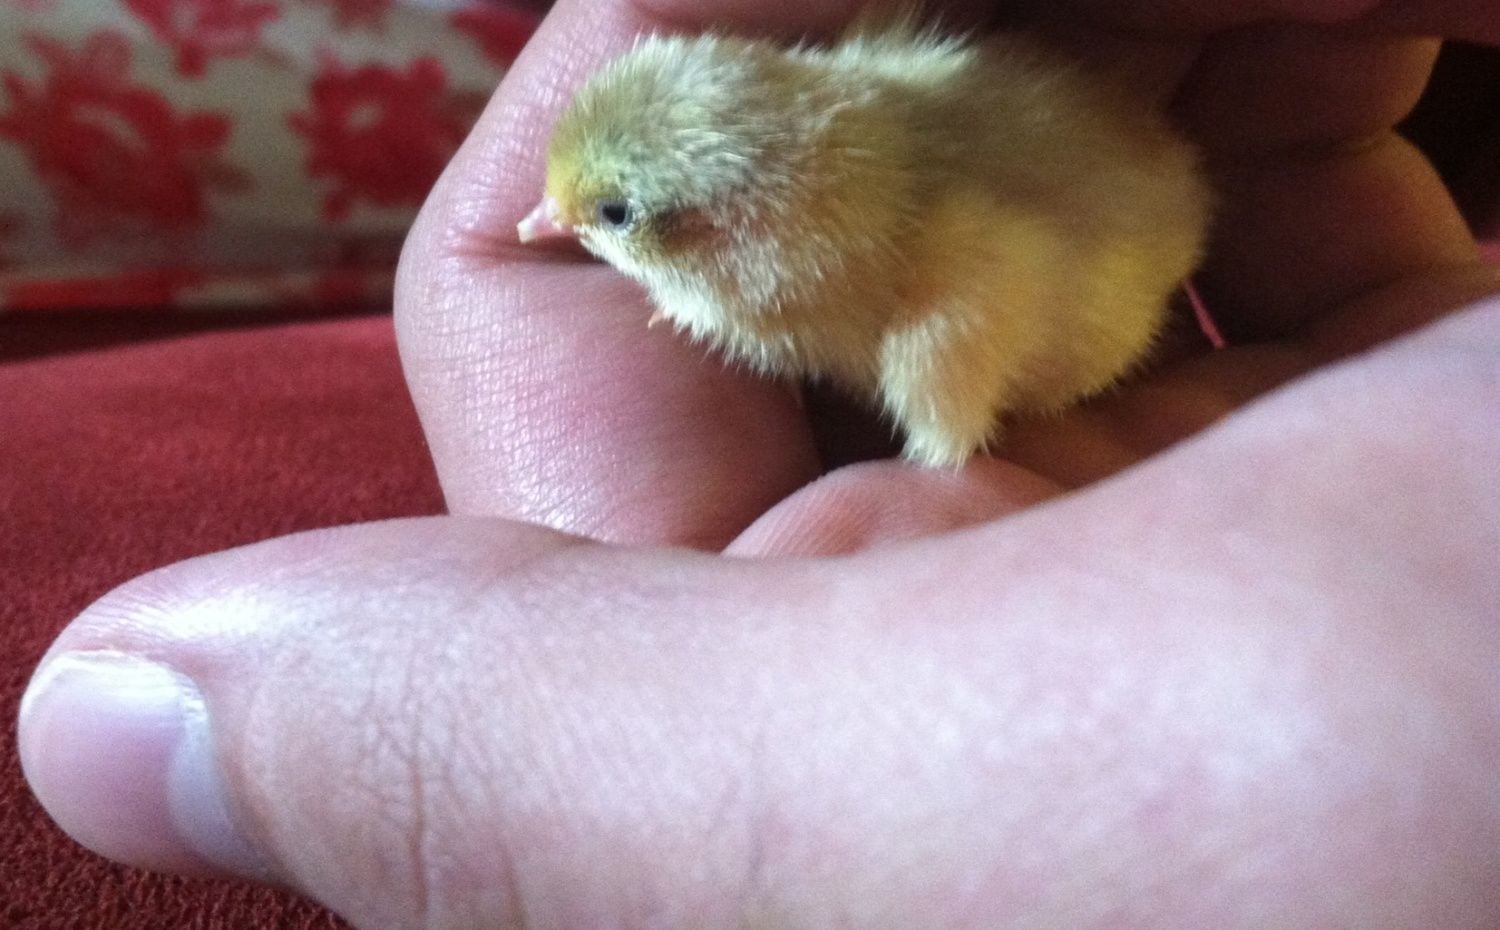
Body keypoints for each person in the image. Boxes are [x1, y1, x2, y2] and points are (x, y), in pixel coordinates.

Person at [17, 0, 1500, 926]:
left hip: (1083, 269)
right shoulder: (860, 98)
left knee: (962, 315)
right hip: (1062, 182)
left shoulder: (879, 272)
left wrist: (949, 455)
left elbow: (969, 343)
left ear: (709, 230)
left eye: (596, 217)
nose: (551, 230)